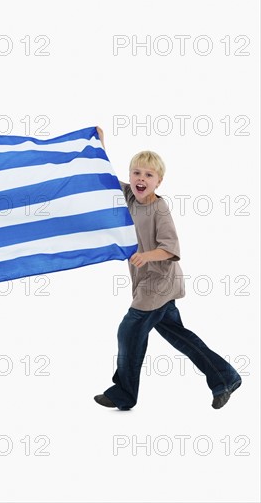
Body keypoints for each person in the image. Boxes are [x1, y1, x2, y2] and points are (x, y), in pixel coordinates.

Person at [94, 127, 241, 410]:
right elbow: (106, 178)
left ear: (158, 182)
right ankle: (225, 376)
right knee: (180, 336)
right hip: (147, 283)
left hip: (157, 284)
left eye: (148, 175)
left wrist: (147, 256)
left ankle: (124, 393)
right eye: (136, 173)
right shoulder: (128, 196)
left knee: (129, 331)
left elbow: (172, 249)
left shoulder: (159, 210)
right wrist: (99, 145)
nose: (141, 179)